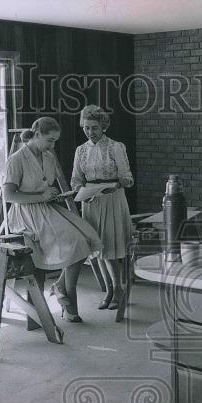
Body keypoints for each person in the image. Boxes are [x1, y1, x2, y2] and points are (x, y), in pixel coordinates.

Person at [3, 116, 102, 322]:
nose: (53, 145)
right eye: (50, 140)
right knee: (75, 241)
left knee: (88, 237)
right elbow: (9, 196)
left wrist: (51, 192)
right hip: (25, 214)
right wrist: (41, 196)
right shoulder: (17, 159)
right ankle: (68, 294)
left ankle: (60, 286)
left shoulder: (47, 157)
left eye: (55, 140)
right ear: (36, 134)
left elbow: (44, 183)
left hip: (47, 208)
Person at [71, 105, 134, 314]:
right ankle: (108, 290)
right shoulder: (81, 150)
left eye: (94, 128)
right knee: (97, 249)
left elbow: (127, 178)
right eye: (86, 128)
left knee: (111, 249)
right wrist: (80, 190)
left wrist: (115, 185)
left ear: (104, 126)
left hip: (112, 200)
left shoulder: (116, 147)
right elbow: (76, 179)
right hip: (90, 202)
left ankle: (117, 290)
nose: (90, 132)